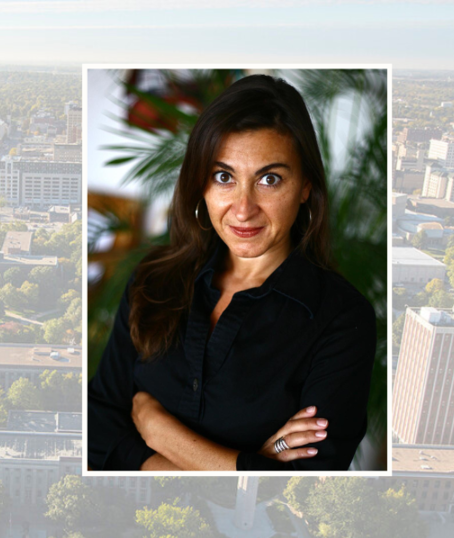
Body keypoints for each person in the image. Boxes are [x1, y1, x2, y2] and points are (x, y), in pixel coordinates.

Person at [88, 74, 376, 471]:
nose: (243, 209)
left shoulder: (342, 319)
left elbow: (303, 484)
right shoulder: (153, 279)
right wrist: (249, 463)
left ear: (306, 186)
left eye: (269, 179)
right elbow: (96, 424)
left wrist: (157, 429)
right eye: (224, 177)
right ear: (201, 184)